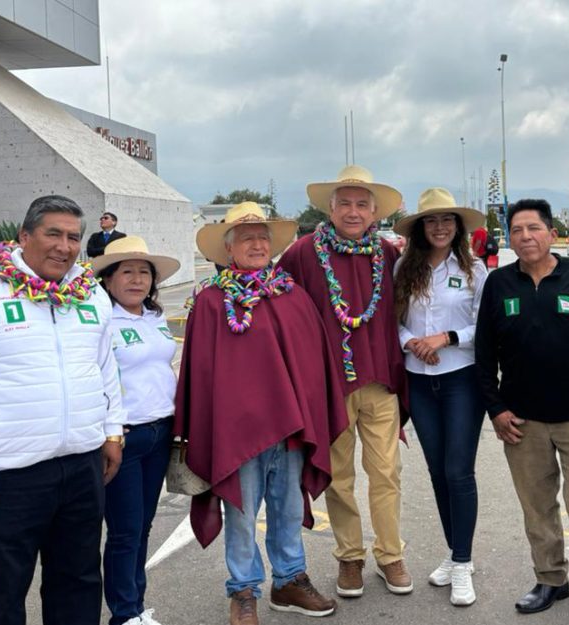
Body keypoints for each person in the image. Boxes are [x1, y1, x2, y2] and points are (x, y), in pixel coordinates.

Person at [0, 195, 127, 625]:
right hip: (8, 472)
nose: (64, 246)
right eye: (53, 233)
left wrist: (112, 431)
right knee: (4, 590)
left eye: (73, 237)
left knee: (78, 580)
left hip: (81, 464)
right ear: (24, 236)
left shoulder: (90, 293)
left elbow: (105, 368)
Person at [176, 202, 348, 625]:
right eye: (246, 237)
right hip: (237, 434)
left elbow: (313, 363)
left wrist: (311, 413)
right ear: (228, 248)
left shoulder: (293, 296)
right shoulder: (212, 302)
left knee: (288, 508)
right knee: (241, 513)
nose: (256, 244)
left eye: (262, 237)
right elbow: (199, 371)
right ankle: (244, 589)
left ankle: (289, 580)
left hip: (291, 429)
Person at [474, 199, 569, 625]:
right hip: (522, 421)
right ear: (509, 238)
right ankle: (550, 579)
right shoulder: (499, 284)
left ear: (552, 233)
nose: (525, 237)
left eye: (534, 228)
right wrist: (496, 408)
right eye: (517, 230)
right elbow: (484, 353)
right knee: (537, 507)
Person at [278, 165, 411, 598]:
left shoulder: (388, 254)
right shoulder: (302, 253)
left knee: (386, 472)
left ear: (374, 212)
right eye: (345, 204)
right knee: (338, 476)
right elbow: (278, 306)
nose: (353, 212)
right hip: (329, 387)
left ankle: (390, 555)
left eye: (361, 205)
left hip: (380, 383)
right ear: (330, 209)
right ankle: (350, 557)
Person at [392, 188, 488, 606]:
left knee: (458, 471)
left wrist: (445, 338)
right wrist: (412, 341)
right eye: (431, 220)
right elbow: (393, 320)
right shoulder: (403, 267)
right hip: (419, 381)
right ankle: (455, 552)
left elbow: (485, 326)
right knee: (437, 471)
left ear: (458, 226)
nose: (440, 227)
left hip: (461, 379)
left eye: (447, 219)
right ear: (420, 228)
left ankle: (463, 563)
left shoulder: (474, 270)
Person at [91, 236, 182, 625]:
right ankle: (124, 614)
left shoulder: (153, 317)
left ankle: (136, 607)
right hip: (124, 438)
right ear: (108, 279)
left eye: (144, 272)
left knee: (142, 527)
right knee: (125, 531)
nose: (136, 279)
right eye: (126, 271)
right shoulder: (100, 320)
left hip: (160, 433)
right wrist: (108, 429)